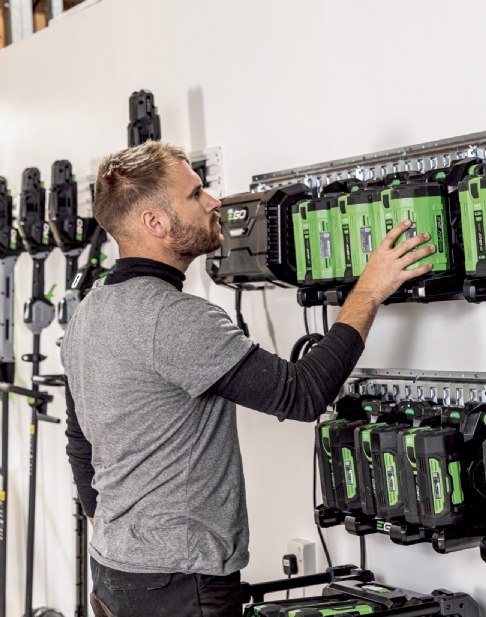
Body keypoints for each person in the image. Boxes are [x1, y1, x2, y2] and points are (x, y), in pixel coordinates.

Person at [62, 140, 433, 617]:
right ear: (155, 222)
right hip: (180, 581)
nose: (213, 201)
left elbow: (79, 440)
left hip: (115, 571)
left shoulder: (90, 310)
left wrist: (115, 529)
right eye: (195, 194)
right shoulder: (173, 318)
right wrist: (370, 289)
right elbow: (303, 394)